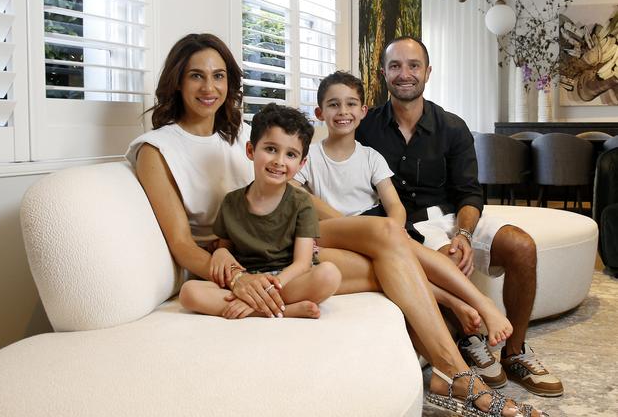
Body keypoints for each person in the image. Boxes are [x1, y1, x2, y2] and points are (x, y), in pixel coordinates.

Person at [126, 33, 545, 417]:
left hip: (282, 228)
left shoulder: (234, 135)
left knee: (384, 233)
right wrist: (232, 272)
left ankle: (453, 362)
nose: (209, 87)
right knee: (384, 259)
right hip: (244, 257)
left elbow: (271, 192)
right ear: (177, 81)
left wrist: (347, 227)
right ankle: (454, 363)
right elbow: (182, 244)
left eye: (219, 76)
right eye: (196, 76)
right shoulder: (156, 149)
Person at [356, 36, 563, 398]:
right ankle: (469, 342)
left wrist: (464, 234)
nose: (405, 74)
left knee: (521, 246)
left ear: (428, 72)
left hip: (453, 216)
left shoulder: (452, 126)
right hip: (405, 225)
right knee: (442, 259)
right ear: (383, 73)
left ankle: (515, 353)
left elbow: (469, 192)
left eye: (413, 65)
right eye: (395, 66)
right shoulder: (365, 126)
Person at [291, 70, 512, 348]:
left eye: (350, 104)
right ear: (319, 112)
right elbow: (294, 190)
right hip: (335, 231)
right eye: (333, 104)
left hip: (376, 226)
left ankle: (479, 301)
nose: (342, 111)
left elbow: (394, 205)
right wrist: (353, 226)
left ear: (363, 111)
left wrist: (394, 228)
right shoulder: (309, 156)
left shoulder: (371, 157)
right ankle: (463, 301)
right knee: (391, 246)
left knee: (398, 249)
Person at [179, 103, 341, 319]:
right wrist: (220, 253)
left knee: (329, 274)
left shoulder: (302, 202)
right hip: (246, 280)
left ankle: (260, 306)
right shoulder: (231, 202)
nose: (279, 161)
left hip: (285, 280)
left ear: (301, 163)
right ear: (251, 150)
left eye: (290, 155)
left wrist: (271, 288)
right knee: (190, 293)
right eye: (271, 149)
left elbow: (302, 263)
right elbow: (224, 248)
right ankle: (279, 310)